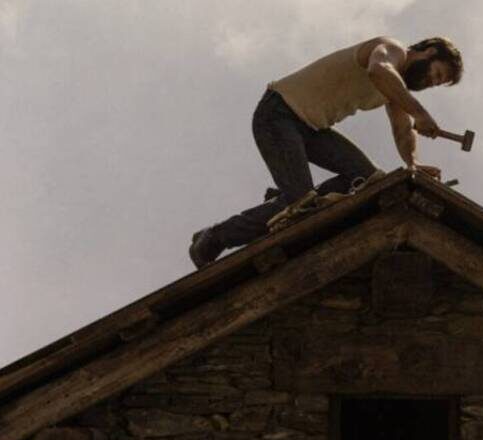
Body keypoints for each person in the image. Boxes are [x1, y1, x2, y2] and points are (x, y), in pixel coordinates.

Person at [188, 36, 463, 268]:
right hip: (278, 113)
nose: (430, 82)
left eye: (436, 83)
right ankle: (217, 236)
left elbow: (403, 130)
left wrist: (413, 164)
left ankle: (293, 198)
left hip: (311, 129)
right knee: (302, 207)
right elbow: (378, 70)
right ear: (429, 51)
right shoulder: (392, 50)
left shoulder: (396, 88)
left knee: (369, 180)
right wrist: (420, 112)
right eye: (435, 74)